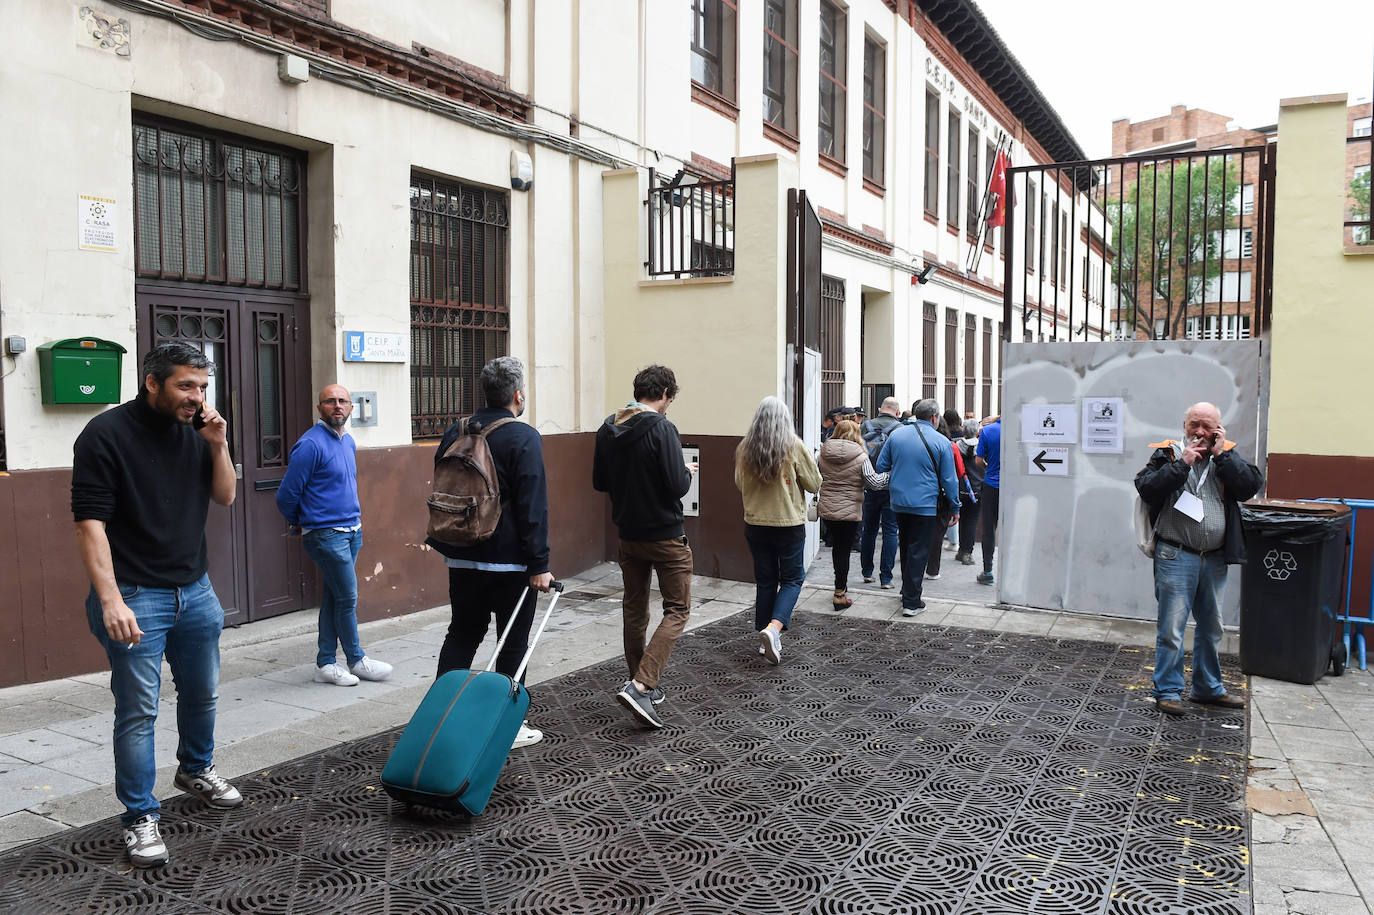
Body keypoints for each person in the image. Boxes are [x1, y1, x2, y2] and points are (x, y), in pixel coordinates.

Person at [72, 341, 243, 868]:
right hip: (135, 596)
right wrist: (111, 600)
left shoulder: (199, 432)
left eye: (202, 387)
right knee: (139, 711)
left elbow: (226, 496)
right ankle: (140, 817)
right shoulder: (105, 435)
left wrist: (218, 445)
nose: (196, 397)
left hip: (195, 590)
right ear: (152, 383)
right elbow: (90, 525)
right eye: (185, 386)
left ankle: (195, 769)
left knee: (203, 693)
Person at [426, 356, 553, 749]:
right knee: (513, 641)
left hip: (461, 554)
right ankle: (506, 725)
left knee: (462, 633)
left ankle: (438, 715)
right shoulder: (523, 437)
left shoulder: (455, 430)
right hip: (511, 563)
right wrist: (540, 565)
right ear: (517, 394)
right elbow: (534, 506)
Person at [1135, 402, 1263, 716]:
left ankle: (1207, 688)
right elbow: (1146, 487)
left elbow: (1250, 486)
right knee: (1172, 628)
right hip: (1176, 554)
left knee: (1211, 627)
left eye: (1208, 426)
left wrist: (1223, 455)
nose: (1200, 432)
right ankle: (1168, 690)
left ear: (1219, 429)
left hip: (1215, 558)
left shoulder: (1226, 455)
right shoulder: (1167, 453)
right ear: (1184, 425)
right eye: (1195, 424)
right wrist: (1182, 464)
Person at [593, 365, 697, 729]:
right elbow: (676, 485)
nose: (669, 405)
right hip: (666, 535)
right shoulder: (662, 427)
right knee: (678, 609)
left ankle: (641, 685)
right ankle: (641, 685)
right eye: (671, 399)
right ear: (665, 394)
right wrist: (687, 472)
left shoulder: (608, 427)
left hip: (628, 534)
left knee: (635, 609)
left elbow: (599, 481)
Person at [276, 384, 392, 687]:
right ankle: (356, 659)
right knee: (347, 597)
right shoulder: (310, 445)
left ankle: (326, 664)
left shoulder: (347, 441)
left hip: (352, 531)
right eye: (330, 401)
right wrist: (302, 522)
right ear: (320, 408)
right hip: (326, 535)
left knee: (334, 596)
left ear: (351, 408)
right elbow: (286, 495)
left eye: (343, 401)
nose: (337, 406)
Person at [734, 396, 821, 664]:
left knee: (766, 580)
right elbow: (814, 483)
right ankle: (773, 629)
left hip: (755, 523)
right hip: (788, 525)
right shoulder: (793, 446)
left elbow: (739, 483)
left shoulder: (744, 448)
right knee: (793, 580)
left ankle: (766, 637)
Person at [875, 399, 960, 617]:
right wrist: (955, 506)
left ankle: (907, 591)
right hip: (924, 504)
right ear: (934, 417)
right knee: (919, 551)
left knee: (906, 546)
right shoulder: (941, 442)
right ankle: (912, 602)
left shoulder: (897, 435)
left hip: (899, 502)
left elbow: (881, 465)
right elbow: (950, 480)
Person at [818, 420, 889, 610]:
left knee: (837, 550)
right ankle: (839, 593)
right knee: (844, 551)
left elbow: (817, 477)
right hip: (850, 512)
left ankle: (840, 586)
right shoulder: (861, 457)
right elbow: (874, 482)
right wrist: (889, 475)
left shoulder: (823, 453)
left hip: (828, 510)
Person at [859, 397, 903, 589]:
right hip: (891, 486)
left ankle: (867, 572)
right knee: (890, 531)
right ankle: (886, 578)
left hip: (869, 485)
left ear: (879, 409)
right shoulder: (901, 430)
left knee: (868, 530)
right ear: (898, 412)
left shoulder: (865, 426)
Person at [924, 416, 967, 580]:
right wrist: (955, 504)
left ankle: (913, 567)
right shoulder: (950, 446)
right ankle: (933, 569)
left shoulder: (921, 443)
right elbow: (958, 472)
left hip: (923, 494)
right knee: (937, 534)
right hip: (942, 496)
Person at [975, 414, 1002, 584]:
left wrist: (989, 469)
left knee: (989, 529)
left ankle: (988, 571)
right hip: (1014, 486)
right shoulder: (1021, 428)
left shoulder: (988, 431)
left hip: (992, 485)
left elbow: (978, 461)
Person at [954, 421, 984, 565]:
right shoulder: (981, 446)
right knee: (972, 520)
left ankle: (961, 550)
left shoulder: (956, 446)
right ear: (977, 432)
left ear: (964, 431)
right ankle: (967, 552)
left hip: (960, 488)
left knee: (962, 518)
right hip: (977, 489)